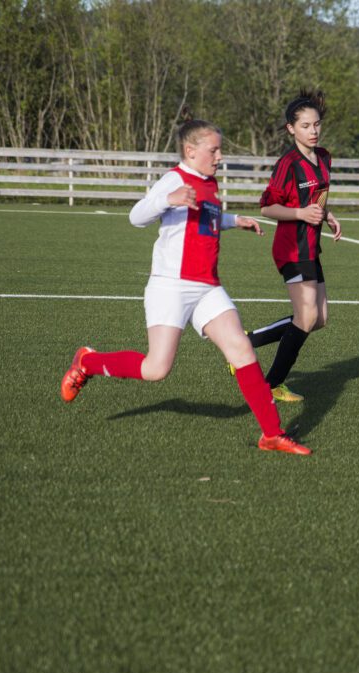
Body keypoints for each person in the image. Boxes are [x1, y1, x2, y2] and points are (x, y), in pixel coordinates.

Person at [59, 116, 311, 456]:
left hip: (208, 287)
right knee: (156, 369)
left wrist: (236, 221)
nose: (220, 156)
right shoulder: (173, 180)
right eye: (214, 149)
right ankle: (87, 363)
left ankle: (271, 434)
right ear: (190, 150)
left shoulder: (209, 182)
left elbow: (206, 219)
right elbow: (137, 217)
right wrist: (168, 199)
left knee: (241, 350)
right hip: (171, 286)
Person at [241, 89, 342, 402]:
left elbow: (315, 199)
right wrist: (299, 213)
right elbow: (266, 207)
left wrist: (326, 214)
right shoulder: (287, 164)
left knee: (319, 319)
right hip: (291, 248)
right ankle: (270, 385)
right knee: (307, 317)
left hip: (311, 246)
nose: (313, 131)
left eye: (316, 125)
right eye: (305, 126)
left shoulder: (324, 157)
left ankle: (248, 342)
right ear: (291, 129)